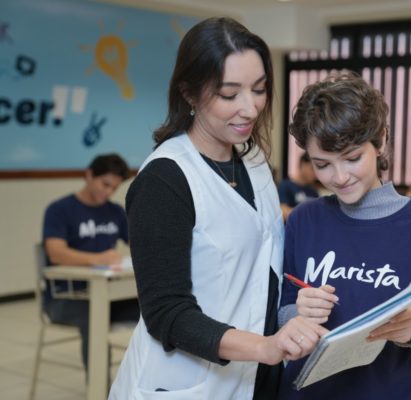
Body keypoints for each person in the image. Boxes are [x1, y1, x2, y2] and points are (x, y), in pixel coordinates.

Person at [109, 17, 327, 399]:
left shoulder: (255, 162)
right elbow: (167, 314)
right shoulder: (165, 180)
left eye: (259, 90)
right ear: (190, 94)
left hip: (259, 375)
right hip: (191, 380)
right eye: (229, 94)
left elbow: (264, 267)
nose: (250, 108)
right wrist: (265, 346)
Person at [276, 73, 411, 400]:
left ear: (381, 139)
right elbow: (283, 313)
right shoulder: (304, 220)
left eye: (352, 158)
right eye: (323, 164)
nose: (339, 177)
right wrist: (298, 314)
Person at [42, 152, 139, 372]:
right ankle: (99, 389)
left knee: (154, 308)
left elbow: (138, 243)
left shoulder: (115, 212)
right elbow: (56, 253)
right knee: (93, 314)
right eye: (105, 184)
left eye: (114, 188)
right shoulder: (59, 210)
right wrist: (97, 259)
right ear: (88, 175)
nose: (108, 192)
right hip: (64, 298)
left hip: (107, 296)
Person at [277, 151, 319, 221]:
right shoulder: (285, 186)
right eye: (312, 168)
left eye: (318, 170)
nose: (315, 173)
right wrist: (307, 217)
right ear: (303, 164)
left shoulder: (313, 191)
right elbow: (283, 211)